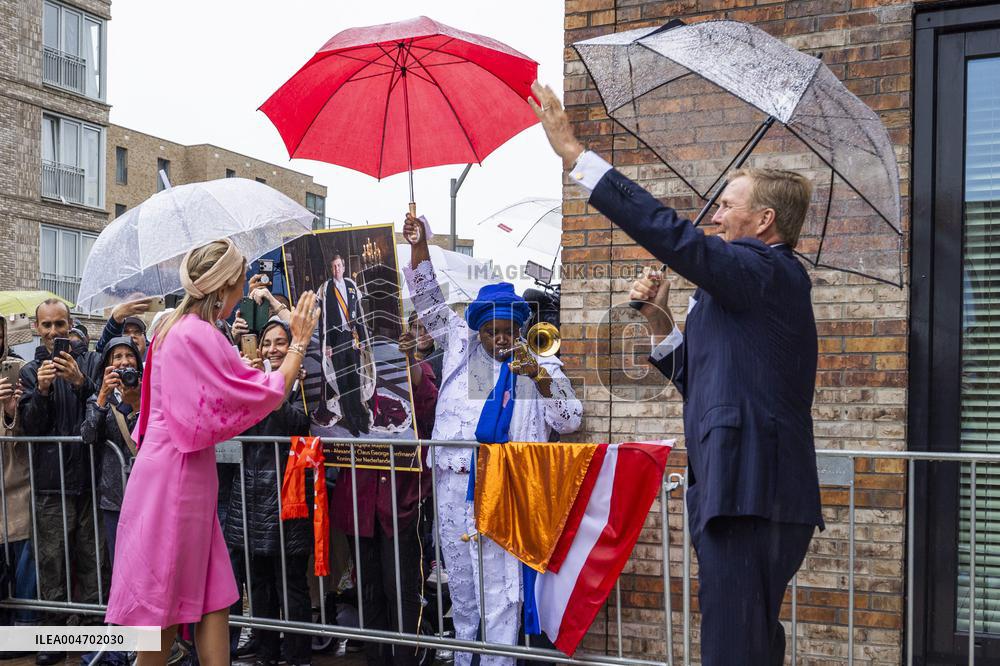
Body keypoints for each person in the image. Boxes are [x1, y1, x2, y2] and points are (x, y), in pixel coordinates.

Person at [528, 81, 824, 665]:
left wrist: (576, 157)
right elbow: (703, 382)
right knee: (751, 641)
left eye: (729, 204)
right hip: (738, 488)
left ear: (764, 220)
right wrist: (660, 317)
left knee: (731, 648)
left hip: (750, 491)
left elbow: (676, 237)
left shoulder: (764, 270)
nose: (716, 213)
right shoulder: (748, 286)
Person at [103, 238, 320, 666]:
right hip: (177, 478)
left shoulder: (174, 327)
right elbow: (264, 394)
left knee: (213, 595)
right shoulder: (195, 332)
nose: (243, 292)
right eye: (240, 282)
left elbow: (239, 385)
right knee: (165, 602)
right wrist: (298, 342)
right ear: (224, 287)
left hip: (175, 471)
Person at [402, 214, 582, 666]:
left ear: (520, 327)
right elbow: (428, 303)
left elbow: (569, 420)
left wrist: (537, 376)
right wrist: (419, 246)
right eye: (490, 330)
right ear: (477, 330)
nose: (499, 338)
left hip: (507, 494)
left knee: (500, 597)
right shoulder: (461, 349)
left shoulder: (539, 364)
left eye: (507, 329)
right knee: (461, 592)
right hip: (451, 490)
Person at [330, 328, 437, 666]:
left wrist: (413, 368)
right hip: (359, 502)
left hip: (399, 502)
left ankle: (407, 658)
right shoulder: (349, 371)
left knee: (402, 589)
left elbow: (431, 414)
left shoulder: (418, 366)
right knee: (370, 590)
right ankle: (377, 659)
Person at [222, 319, 313, 666]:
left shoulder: (303, 381)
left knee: (289, 582)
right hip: (249, 493)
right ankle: (266, 648)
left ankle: (296, 655)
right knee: (257, 581)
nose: (272, 350)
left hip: (287, 495)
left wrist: (275, 389)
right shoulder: (249, 382)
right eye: (266, 343)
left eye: (280, 343)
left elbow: (300, 423)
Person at [18, 299, 103, 666]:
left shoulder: (88, 362)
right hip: (51, 486)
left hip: (86, 481)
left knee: (92, 563)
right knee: (51, 565)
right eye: (47, 325)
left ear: (71, 325)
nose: (54, 332)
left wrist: (80, 383)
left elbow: (101, 409)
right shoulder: (28, 371)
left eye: (60, 324)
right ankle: (53, 636)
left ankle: (91, 636)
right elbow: (31, 427)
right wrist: (42, 391)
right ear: (38, 328)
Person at [80, 336, 143, 562]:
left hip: (148, 493)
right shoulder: (97, 399)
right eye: (117, 357)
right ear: (107, 364)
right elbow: (88, 436)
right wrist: (103, 397)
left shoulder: (150, 392)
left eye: (129, 356)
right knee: (120, 561)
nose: (125, 362)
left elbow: (147, 438)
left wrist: (137, 404)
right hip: (115, 494)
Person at [0, 316, 40, 637]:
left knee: (24, 555)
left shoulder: (17, 368)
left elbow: (28, 427)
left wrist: (11, 410)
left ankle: (24, 629)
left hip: (16, 480)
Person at [314, 253, 373, 436]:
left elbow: (360, 316)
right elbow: (323, 320)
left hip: (352, 336)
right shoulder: (325, 289)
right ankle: (351, 421)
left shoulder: (351, 286)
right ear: (330, 269)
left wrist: (362, 339)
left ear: (344, 267)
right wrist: (327, 344)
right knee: (343, 381)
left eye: (339, 266)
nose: (336, 269)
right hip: (336, 339)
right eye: (334, 266)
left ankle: (361, 418)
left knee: (355, 379)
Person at [406, 313, 443, 390]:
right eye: (416, 328)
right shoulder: (403, 363)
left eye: (429, 328)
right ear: (408, 331)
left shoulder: (444, 361)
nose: (422, 333)